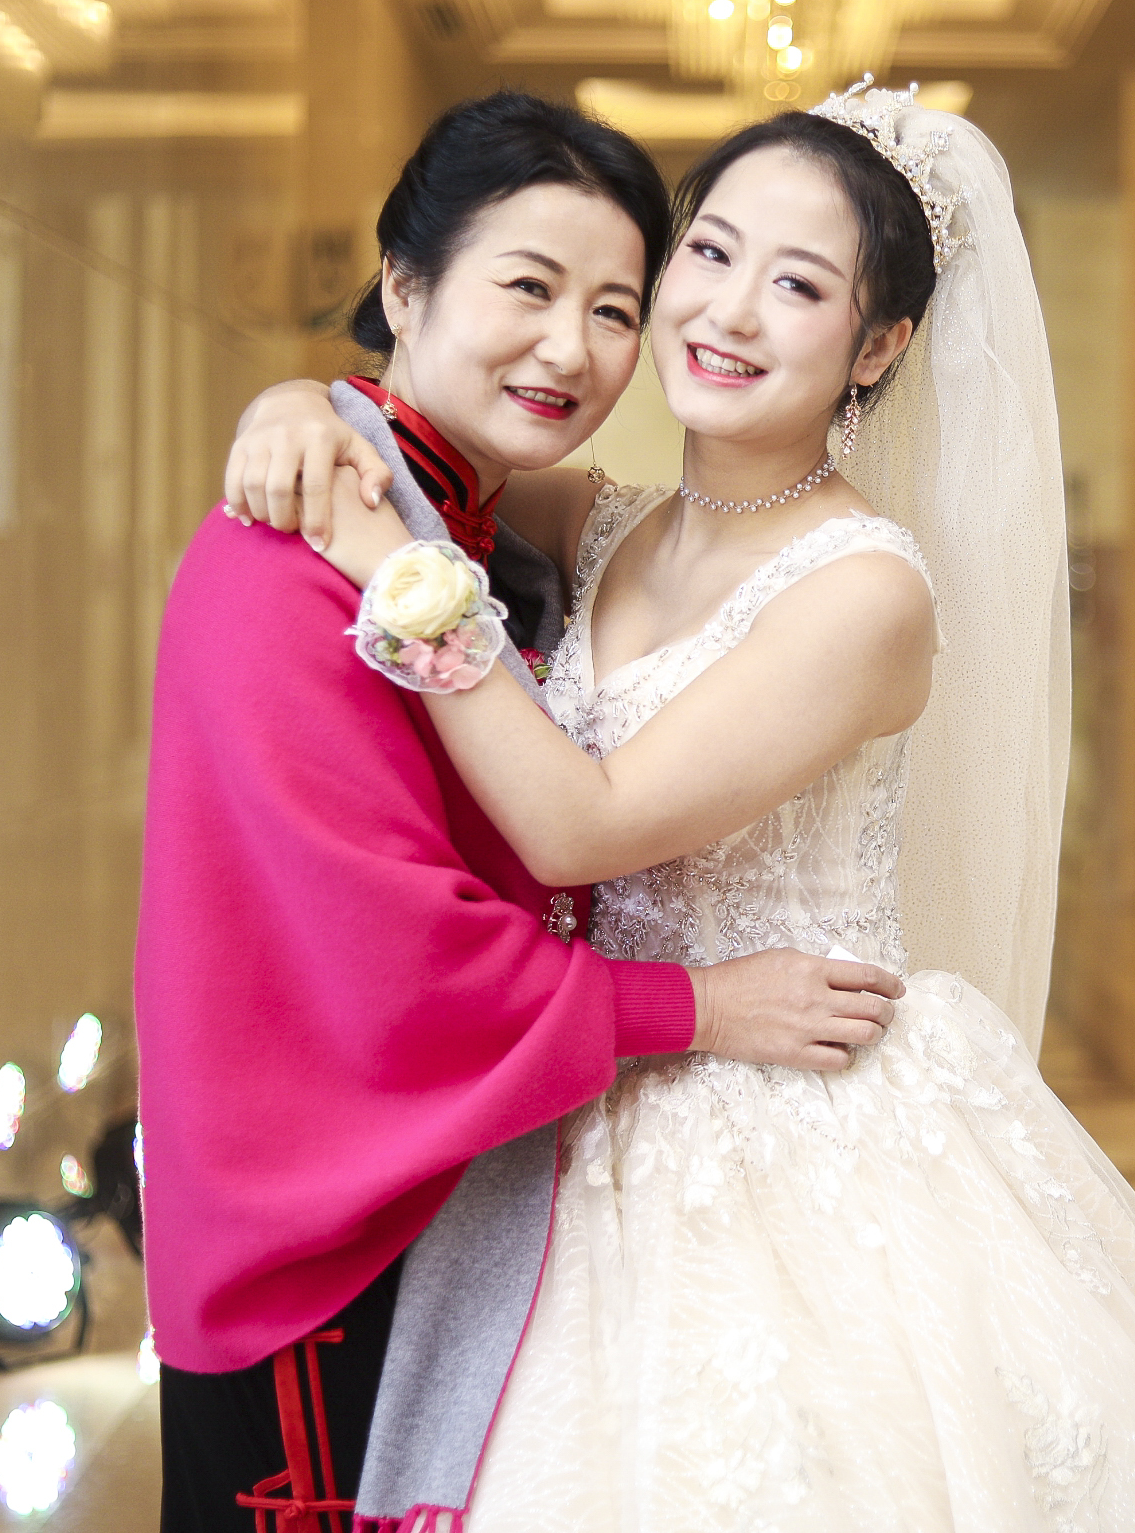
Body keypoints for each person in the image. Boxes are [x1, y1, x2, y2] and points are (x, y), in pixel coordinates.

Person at [230, 84, 1135, 1531]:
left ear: (877, 346)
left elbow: (581, 825)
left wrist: (403, 580)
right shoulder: (603, 522)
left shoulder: (863, 592)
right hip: (591, 1098)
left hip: (796, 1119)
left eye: (800, 285)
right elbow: (420, 443)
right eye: (709, 253)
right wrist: (298, 407)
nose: (730, 310)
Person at [137, 91, 904, 1533]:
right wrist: (698, 1005)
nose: (570, 348)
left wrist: (308, 403)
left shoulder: (484, 527)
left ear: (878, 346)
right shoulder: (296, 559)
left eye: (612, 307)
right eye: (530, 288)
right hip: (321, 1243)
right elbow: (396, 958)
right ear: (405, 285)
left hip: (505, 1185)